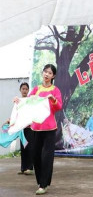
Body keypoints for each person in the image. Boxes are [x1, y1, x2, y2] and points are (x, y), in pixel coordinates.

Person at [15, 64, 62, 195]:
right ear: (43, 73)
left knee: (46, 157)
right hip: (36, 128)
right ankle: (41, 181)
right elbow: (27, 103)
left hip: (50, 129)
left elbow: (58, 106)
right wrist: (18, 101)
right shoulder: (36, 89)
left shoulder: (55, 90)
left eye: (50, 73)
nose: (47, 74)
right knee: (35, 156)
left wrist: (53, 99)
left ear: (53, 76)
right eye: (45, 72)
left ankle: (44, 184)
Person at [17, 82, 34, 175]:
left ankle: (30, 168)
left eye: (26, 89)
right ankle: (23, 168)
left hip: (30, 128)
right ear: (20, 90)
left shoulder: (30, 101)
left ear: (28, 90)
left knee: (30, 148)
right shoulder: (18, 101)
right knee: (23, 148)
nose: (24, 90)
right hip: (21, 128)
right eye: (23, 89)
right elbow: (15, 113)